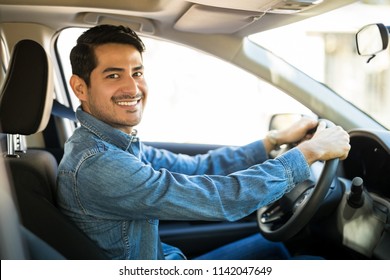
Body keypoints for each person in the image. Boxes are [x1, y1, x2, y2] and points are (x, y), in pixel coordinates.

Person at [56, 24, 350, 260]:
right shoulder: (98, 164)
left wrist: (272, 140)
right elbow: (219, 199)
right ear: (80, 87)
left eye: (137, 72)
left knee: (276, 249)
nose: (133, 88)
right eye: (113, 75)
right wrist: (310, 152)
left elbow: (197, 166)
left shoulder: (114, 144)